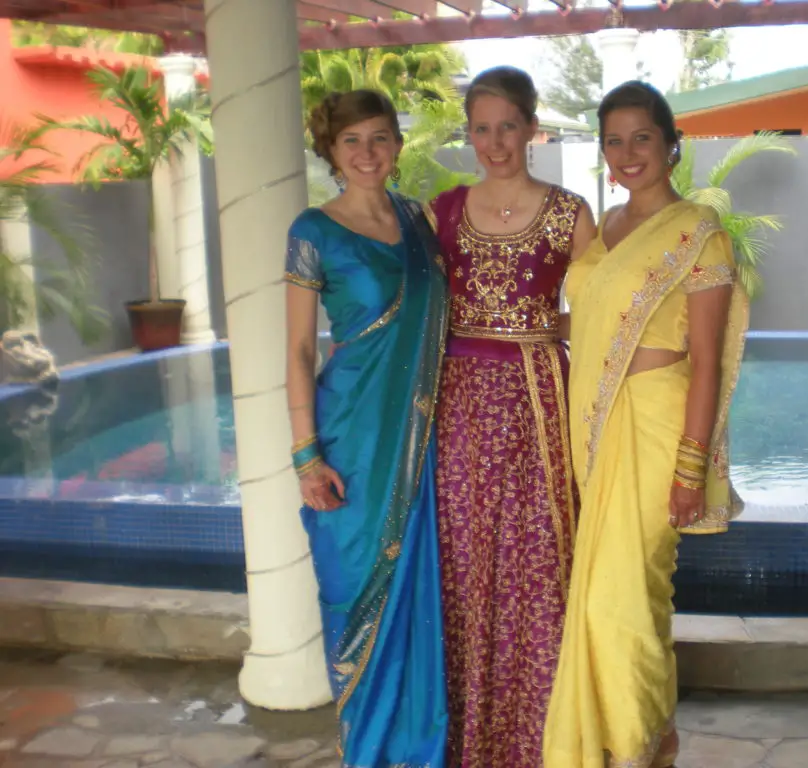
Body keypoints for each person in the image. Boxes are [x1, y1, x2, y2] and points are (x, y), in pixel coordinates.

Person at [543, 81, 749, 768]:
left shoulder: (700, 233)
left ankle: (634, 747)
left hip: (658, 423)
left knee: (624, 604)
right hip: (597, 426)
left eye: (642, 138)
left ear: (670, 145)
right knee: (613, 599)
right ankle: (646, 740)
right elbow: (597, 322)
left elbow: (710, 361)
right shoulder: (608, 227)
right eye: (613, 139)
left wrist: (692, 467)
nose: (627, 153)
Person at [427, 66, 596, 767]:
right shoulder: (441, 212)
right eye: (482, 128)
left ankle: (539, 738)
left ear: (532, 127)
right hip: (459, 404)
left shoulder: (569, 212)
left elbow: (598, 318)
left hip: (537, 405)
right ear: (469, 132)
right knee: (463, 567)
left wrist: (552, 330)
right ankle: (469, 737)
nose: (495, 142)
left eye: (508, 125)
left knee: (537, 564)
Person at [284, 89, 448, 766]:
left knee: (422, 591)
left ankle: (423, 748)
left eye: (379, 137)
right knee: (355, 588)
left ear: (398, 145)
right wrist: (305, 454)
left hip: (423, 435)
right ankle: (371, 752)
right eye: (351, 141)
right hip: (352, 437)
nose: (367, 153)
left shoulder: (421, 219)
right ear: (330, 151)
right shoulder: (313, 232)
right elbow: (297, 350)